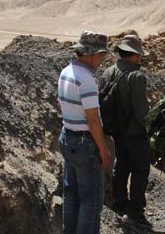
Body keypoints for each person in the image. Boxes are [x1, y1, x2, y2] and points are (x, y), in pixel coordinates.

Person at [58, 31, 113, 234]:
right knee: (91, 201)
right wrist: (103, 149)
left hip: (67, 137)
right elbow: (93, 120)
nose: (102, 60)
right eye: (101, 55)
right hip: (85, 143)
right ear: (89, 54)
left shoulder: (66, 71)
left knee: (72, 195)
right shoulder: (86, 79)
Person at [100, 35, 151, 227]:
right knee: (140, 170)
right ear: (134, 55)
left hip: (116, 130)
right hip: (135, 133)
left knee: (121, 166)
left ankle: (119, 203)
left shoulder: (108, 72)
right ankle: (136, 211)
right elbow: (141, 110)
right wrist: (149, 130)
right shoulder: (136, 76)